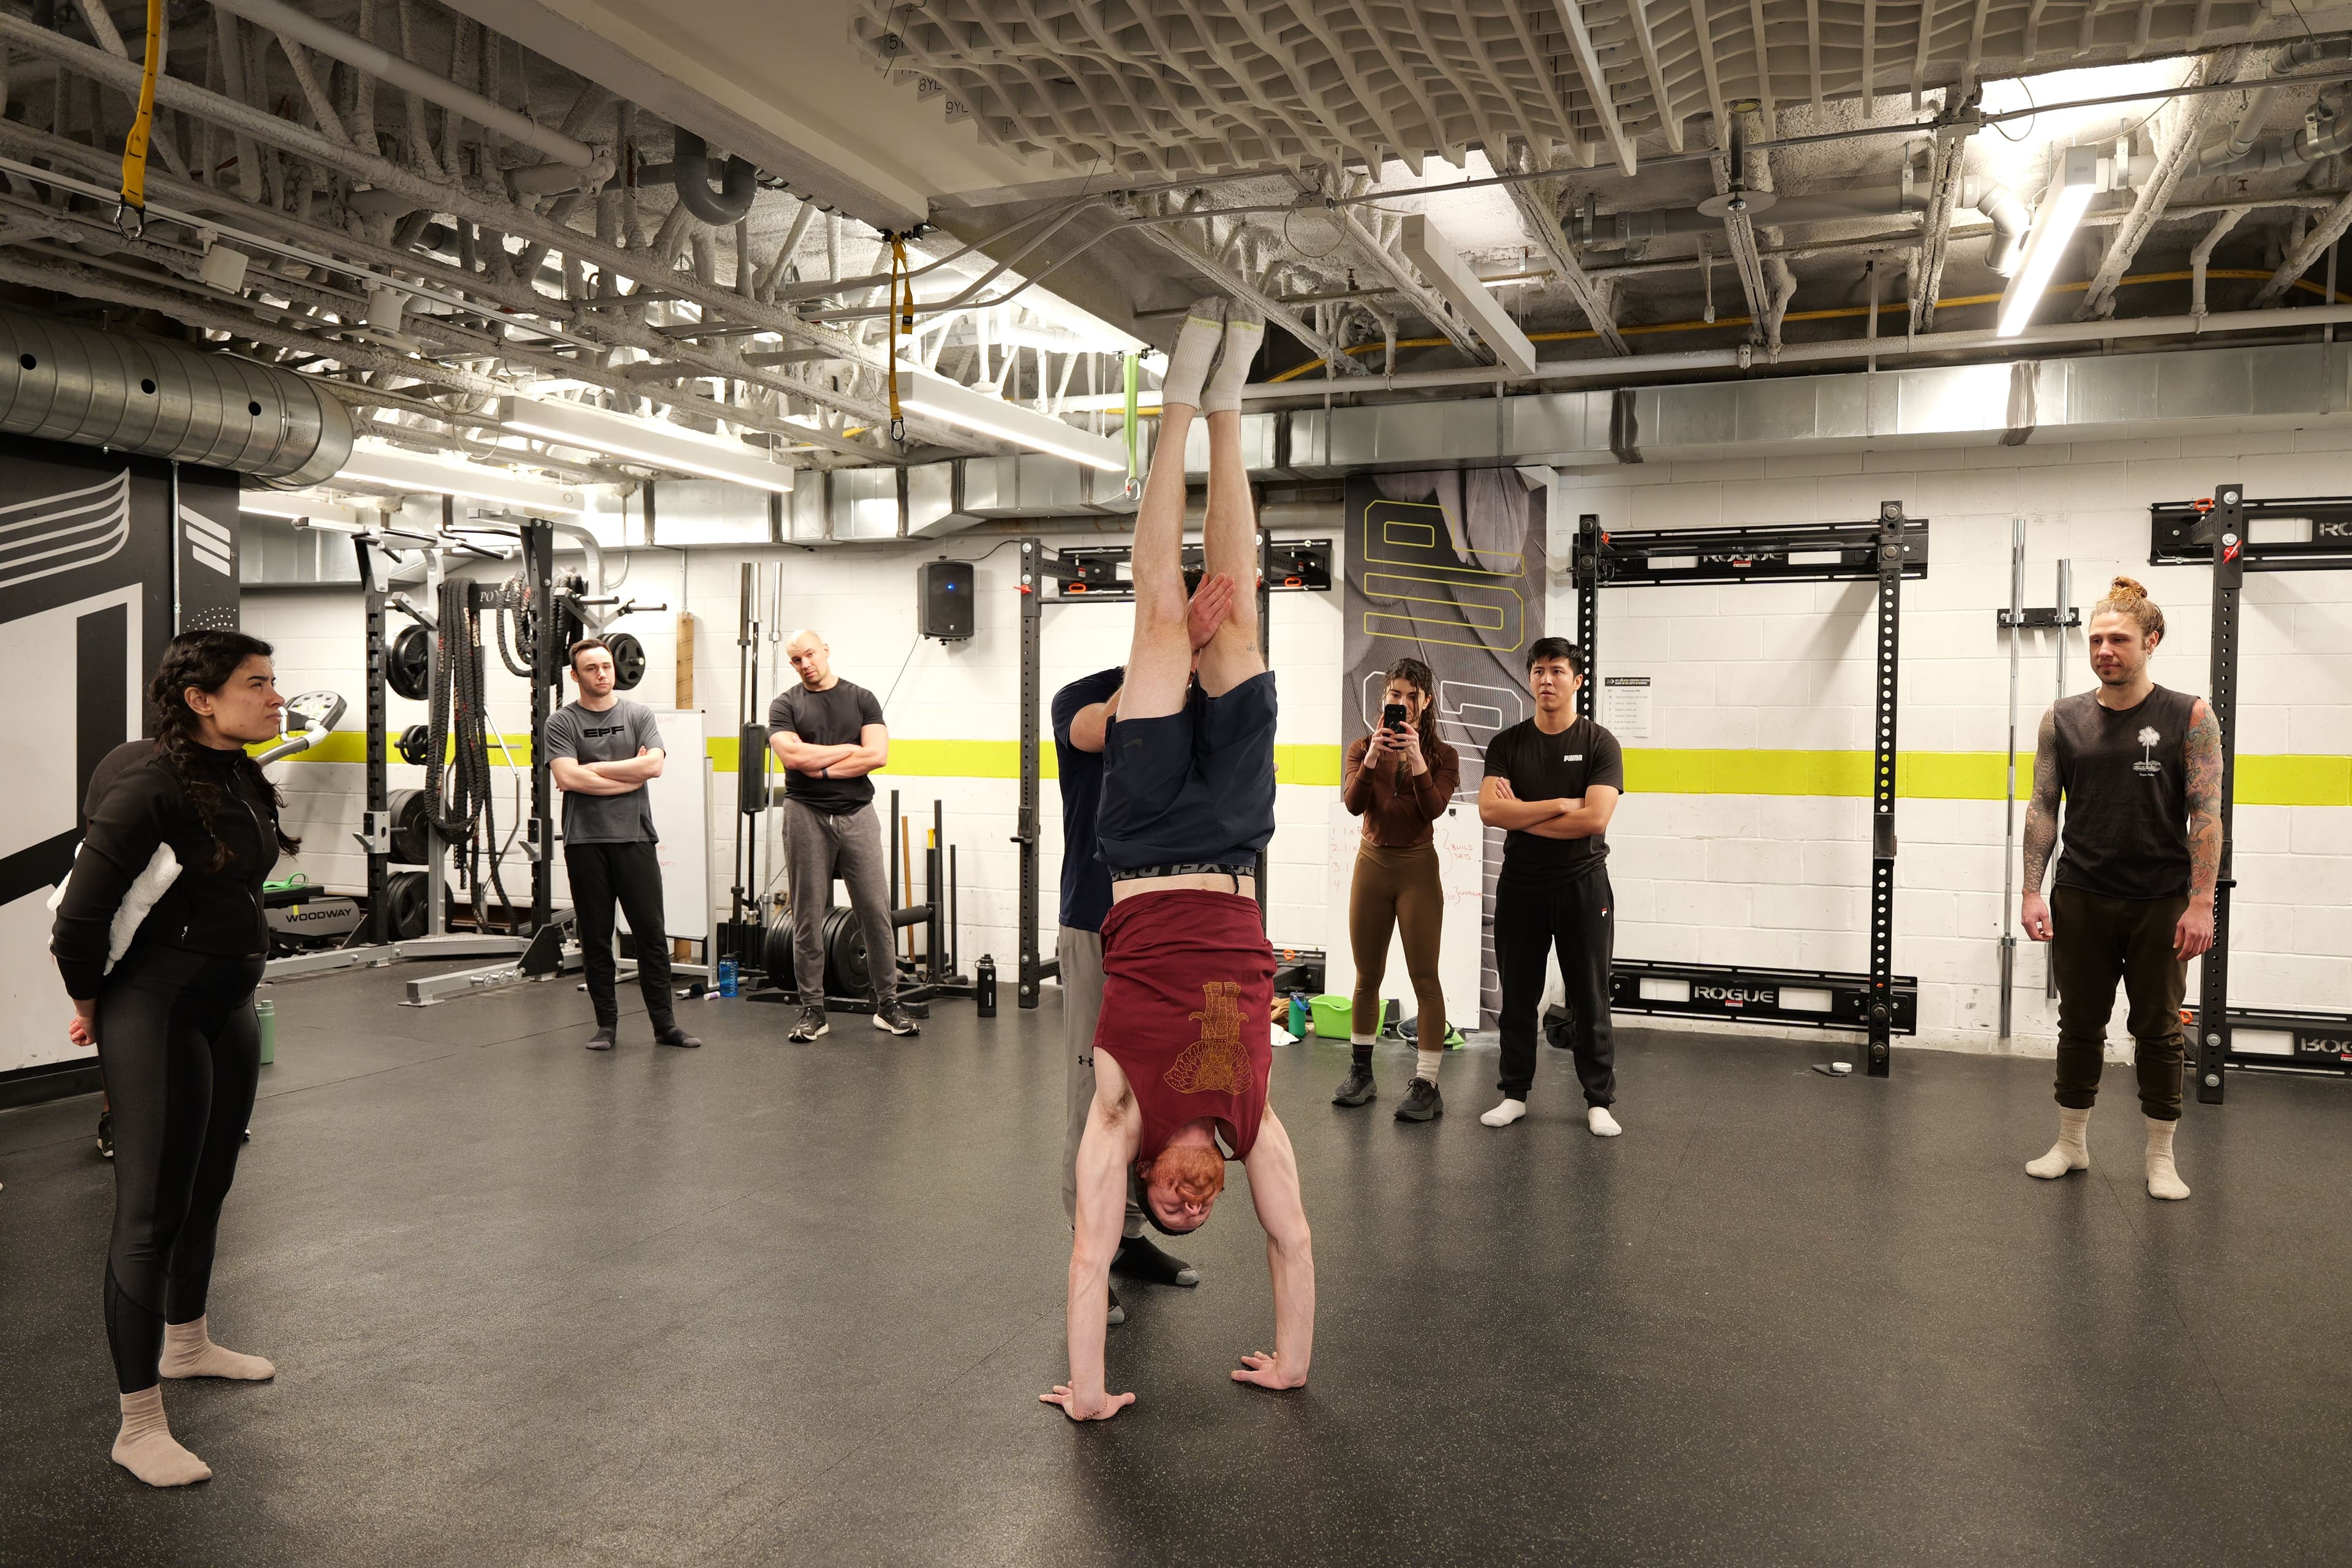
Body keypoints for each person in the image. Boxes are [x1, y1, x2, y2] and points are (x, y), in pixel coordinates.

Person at [1044, 297, 1314, 1422]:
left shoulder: (1121, 1113)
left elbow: (1082, 1257)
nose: (1199, 1205)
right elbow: (1292, 1241)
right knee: (1240, 621)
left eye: (1177, 1208)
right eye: (1206, 1214)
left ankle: (1173, 408)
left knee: (1163, 622)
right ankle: (1231, 407)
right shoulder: (1252, 1124)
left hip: (1149, 848)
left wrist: (1091, 1391)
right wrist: (1293, 1362)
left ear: (1151, 1182)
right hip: (1242, 846)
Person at [51, 631, 295, 1487]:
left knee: (210, 1185)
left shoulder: (238, 774)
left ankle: (188, 1345)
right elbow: (80, 916)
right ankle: (138, 1423)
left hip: (227, 1007)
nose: (275, 698)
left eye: (273, 683)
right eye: (258, 684)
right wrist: (90, 1000)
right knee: (149, 1213)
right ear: (201, 698)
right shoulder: (151, 782)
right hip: (155, 1010)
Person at [1051, 589, 1232, 1326]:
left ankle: (1128, 1239)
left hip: (1170, 933)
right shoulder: (1081, 695)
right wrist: (1179, 646)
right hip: (1097, 920)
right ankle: (1091, 1248)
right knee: (1095, 1095)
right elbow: (1107, 730)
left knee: (1157, 1093)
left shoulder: (1207, 705)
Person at [2018, 576, 2218, 1201]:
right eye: (2097, 639)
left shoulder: (2189, 714)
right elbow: (2043, 806)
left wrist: (2202, 901)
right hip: (2080, 893)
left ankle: (2161, 1157)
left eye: (2120, 639)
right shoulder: (2062, 717)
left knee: (2157, 1029)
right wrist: (2031, 891)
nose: (2105, 649)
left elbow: (2206, 813)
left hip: (2161, 899)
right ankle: (2071, 1144)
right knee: (2079, 1022)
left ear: (2151, 641)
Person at [1476, 638, 1626, 1134]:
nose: (1546, 679)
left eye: (1557, 670)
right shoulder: (1508, 744)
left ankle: (1598, 1100)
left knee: (1590, 994)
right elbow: (1491, 811)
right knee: (1519, 995)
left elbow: (1596, 818)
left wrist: (1526, 815)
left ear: (1577, 680)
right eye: (1539, 670)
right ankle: (1514, 1094)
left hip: (1583, 885)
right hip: (1522, 886)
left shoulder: (1600, 743)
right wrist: (1562, 804)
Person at [544, 636, 699, 1052]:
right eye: (592, 668)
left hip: (635, 838)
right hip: (585, 842)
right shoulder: (561, 723)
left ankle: (665, 1026)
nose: (602, 674)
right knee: (596, 937)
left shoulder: (638, 714)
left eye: (607, 666)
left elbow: (655, 766)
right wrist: (628, 775)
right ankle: (606, 1027)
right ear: (576, 676)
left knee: (651, 935)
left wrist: (595, 769)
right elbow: (567, 778)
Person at [767, 630, 919, 1039]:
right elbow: (792, 756)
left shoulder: (861, 698)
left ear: (826, 651)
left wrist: (824, 766)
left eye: (810, 655)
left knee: (875, 911)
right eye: (797, 660)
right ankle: (813, 1010)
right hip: (804, 813)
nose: (805, 665)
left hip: (857, 812)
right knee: (807, 915)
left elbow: (879, 755)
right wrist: (850, 750)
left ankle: (888, 1004)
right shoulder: (785, 705)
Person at [1332, 656, 1461, 1120]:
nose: (1401, 703)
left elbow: (1433, 808)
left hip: (1417, 871)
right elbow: (1353, 805)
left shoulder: (1445, 755)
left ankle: (1427, 1083)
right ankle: (1361, 1073)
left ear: (1425, 703)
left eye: (1411, 696)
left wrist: (1418, 759)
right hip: (1373, 864)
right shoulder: (1360, 747)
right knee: (1367, 977)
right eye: (1394, 695)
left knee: (1425, 978)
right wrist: (1370, 761)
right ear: (1383, 698)